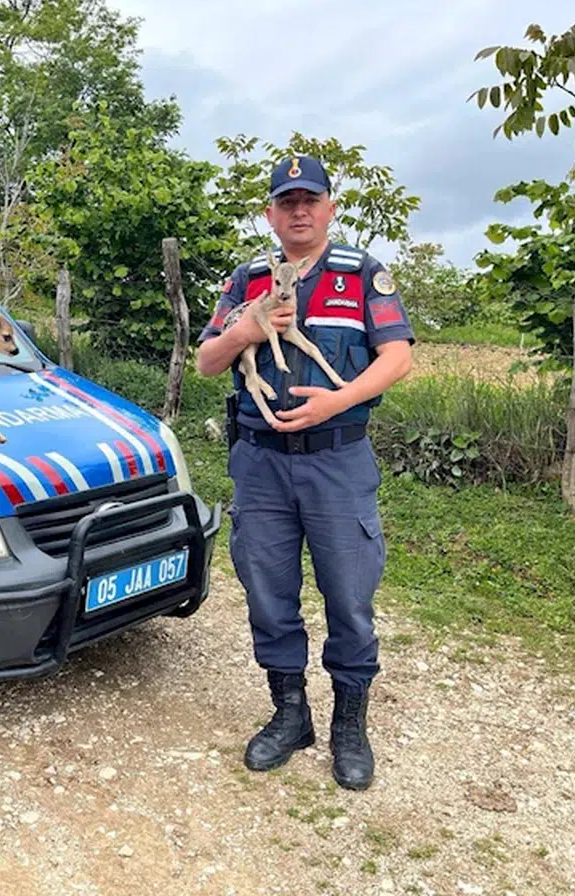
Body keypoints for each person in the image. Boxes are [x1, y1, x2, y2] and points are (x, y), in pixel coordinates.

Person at [196, 154, 414, 791]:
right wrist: (249, 325)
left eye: (309, 200)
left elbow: (396, 358)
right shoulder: (246, 280)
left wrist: (337, 400)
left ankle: (350, 723)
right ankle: (291, 714)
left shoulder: (362, 274)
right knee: (268, 593)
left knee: (348, 596)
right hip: (260, 464)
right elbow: (209, 361)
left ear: (329, 208)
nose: (298, 211)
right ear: (270, 213)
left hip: (337, 462)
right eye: (286, 201)